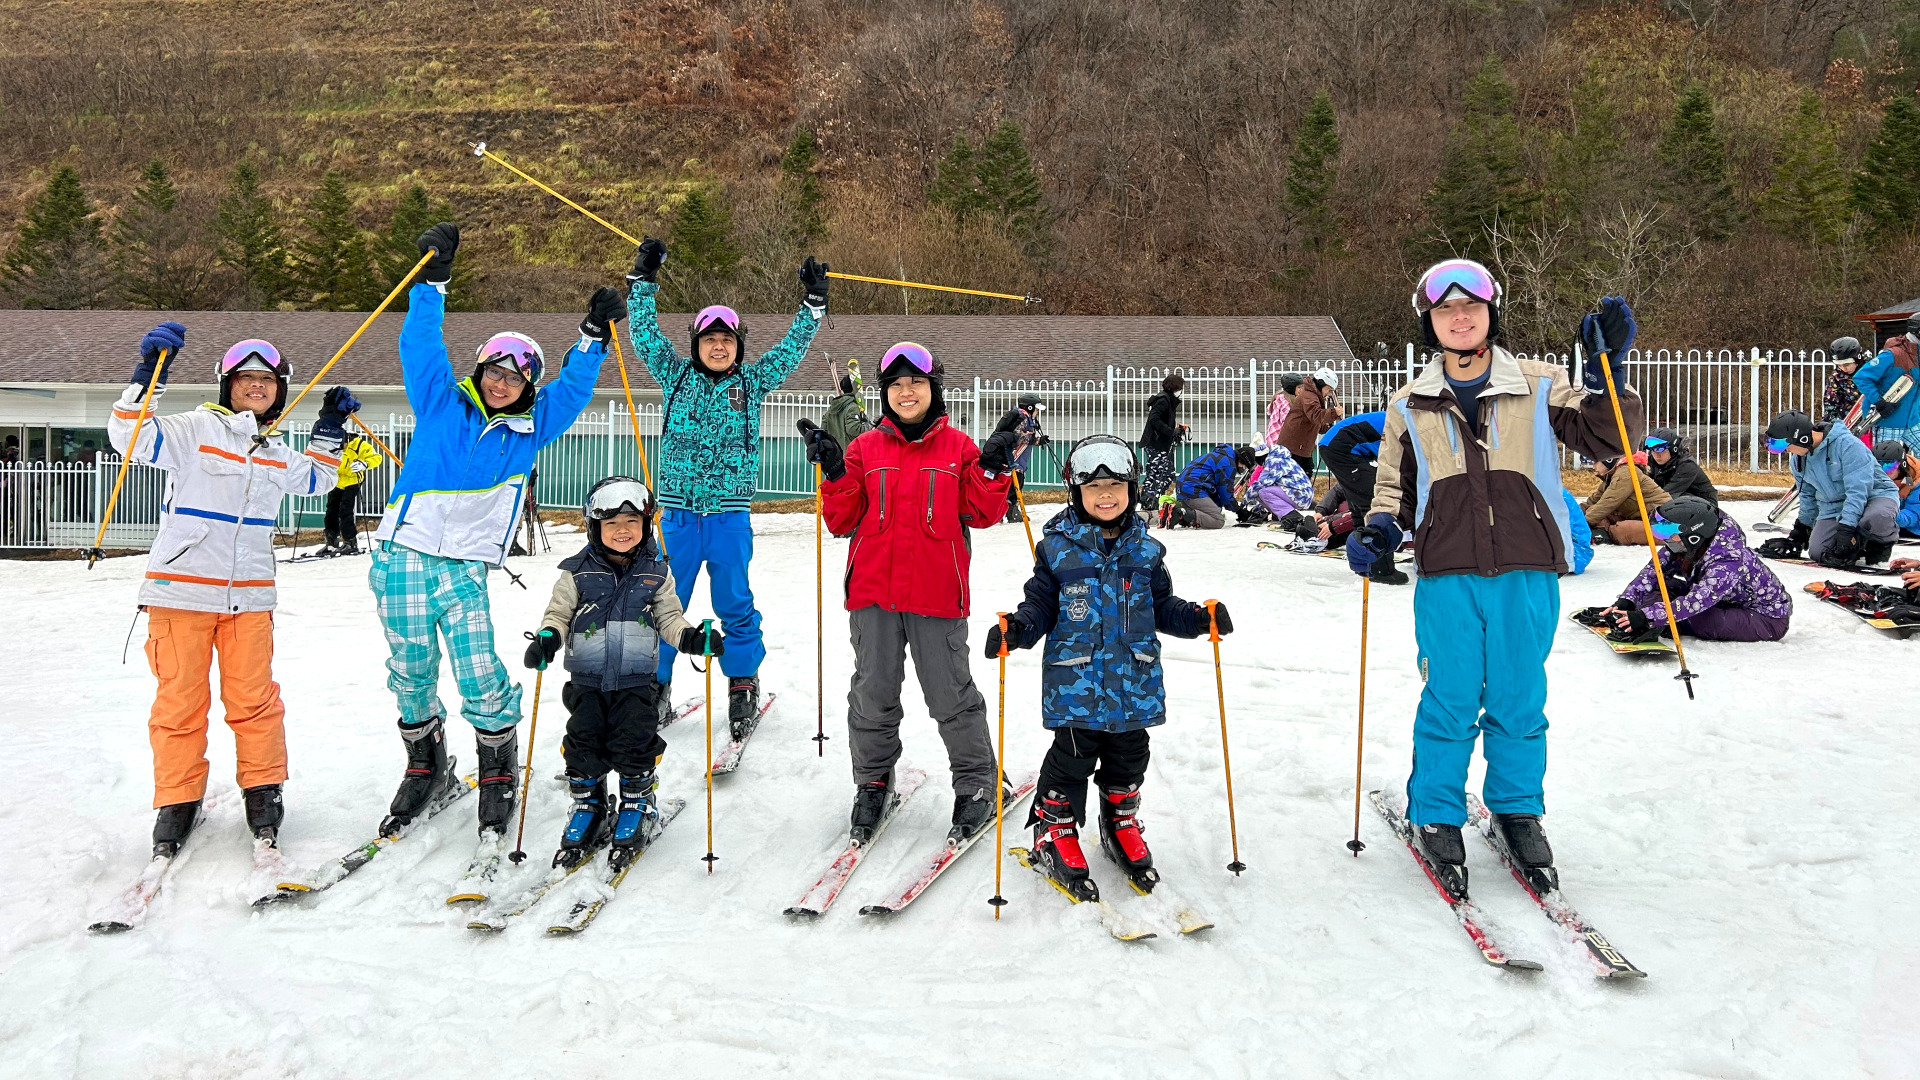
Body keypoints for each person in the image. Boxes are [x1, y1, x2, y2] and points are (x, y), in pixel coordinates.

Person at [1345, 258, 1641, 897]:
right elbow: (1394, 487)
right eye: (1446, 310)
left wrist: (1606, 374)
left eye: (1471, 308)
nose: (1460, 318)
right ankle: (1438, 813)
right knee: (1450, 696)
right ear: (1431, 322)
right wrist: (1378, 532)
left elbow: (1609, 438)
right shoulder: (1410, 402)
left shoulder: (1540, 384)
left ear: (1490, 314)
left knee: (1517, 697)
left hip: (1527, 566)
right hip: (1447, 570)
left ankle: (1517, 808)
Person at [370, 223, 610, 841]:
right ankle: (425, 762)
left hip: (464, 568)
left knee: (477, 667)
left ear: (527, 386)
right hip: (402, 554)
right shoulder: (441, 403)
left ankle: (497, 765)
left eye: (515, 375)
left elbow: (575, 388)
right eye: (493, 369)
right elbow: (420, 344)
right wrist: (433, 282)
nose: (502, 381)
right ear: (479, 370)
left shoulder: (531, 429)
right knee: (411, 665)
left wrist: (591, 339)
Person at [108, 323, 350, 858]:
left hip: (250, 601)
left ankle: (263, 793)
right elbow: (131, 438)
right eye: (246, 379)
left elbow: (316, 480)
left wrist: (330, 428)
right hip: (181, 596)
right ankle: (178, 801)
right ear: (227, 385)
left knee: (255, 702)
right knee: (179, 705)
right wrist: (147, 378)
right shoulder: (195, 430)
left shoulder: (274, 448)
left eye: (267, 379)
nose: (257, 386)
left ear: (281, 389)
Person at [982, 435, 1229, 898]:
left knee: (1130, 756)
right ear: (1077, 493)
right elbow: (1040, 607)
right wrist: (1017, 629)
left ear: (1132, 489)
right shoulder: (1057, 550)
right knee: (1072, 759)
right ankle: (1053, 829)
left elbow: (1162, 606)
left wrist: (1198, 618)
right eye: (1095, 488)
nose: (1107, 495)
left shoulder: (1147, 551)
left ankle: (1119, 821)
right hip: (1076, 686)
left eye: (1116, 484)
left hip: (1134, 684)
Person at [806, 342, 1021, 844]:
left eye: (916, 383)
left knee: (951, 695)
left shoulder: (959, 449)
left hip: (936, 593)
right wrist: (835, 474)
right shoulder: (864, 449)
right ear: (885, 394)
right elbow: (840, 520)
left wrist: (992, 469)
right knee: (873, 694)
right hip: (873, 596)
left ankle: (978, 785)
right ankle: (874, 782)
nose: (906, 392)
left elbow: (983, 513)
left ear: (933, 390)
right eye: (896, 384)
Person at [625, 237, 827, 737]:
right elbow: (644, 333)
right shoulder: (674, 378)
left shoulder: (751, 384)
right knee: (663, 602)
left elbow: (792, 349)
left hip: (729, 517)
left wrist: (813, 305)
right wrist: (643, 280)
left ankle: (742, 682)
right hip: (676, 517)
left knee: (734, 600)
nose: (719, 346)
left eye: (728, 340)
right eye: (710, 339)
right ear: (696, 344)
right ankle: (654, 684)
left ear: (737, 347)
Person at [523, 477, 714, 869]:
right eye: (611, 524)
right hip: (587, 682)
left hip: (636, 682)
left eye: (631, 521)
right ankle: (590, 804)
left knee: (634, 741)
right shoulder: (575, 573)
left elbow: (669, 619)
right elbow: (558, 614)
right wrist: (547, 638)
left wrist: (691, 639)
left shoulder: (657, 574)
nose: (622, 530)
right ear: (595, 528)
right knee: (583, 743)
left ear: (645, 525)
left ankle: (637, 801)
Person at [1582, 496, 1791, 643]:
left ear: (1694, 534)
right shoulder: (1684, 544)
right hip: (1724, 600)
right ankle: (1648, 617)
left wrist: (1647, 618)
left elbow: (1697, 601)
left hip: (1765, 618)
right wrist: (1627, 601)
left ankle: (1661, 622)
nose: (1663, 538)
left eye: (1668, 532)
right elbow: (1653, 572)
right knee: (1661, 587)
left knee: (1701, 619)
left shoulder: (1728, 561)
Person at [1756, 410, 1899, 568]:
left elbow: (1857, 492)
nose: (1785, 451)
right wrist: (1800, 532)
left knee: (1877, 516)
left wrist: (1846, 529)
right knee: (1818, 552)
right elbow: (1807, 497)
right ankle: (1856, 544)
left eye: (1784, 445)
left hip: (1874, 495)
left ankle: (1880, 544)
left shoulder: (1848, 446)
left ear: (1802, 438)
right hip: (1834, 505)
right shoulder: (1798, 461)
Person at [1854, 315, 1920, 448]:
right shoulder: (1893, 354)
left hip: (1911, 420)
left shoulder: (1917, 354)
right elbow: (1861, 377)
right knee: (1885, 463)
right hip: (1887, 421)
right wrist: (1878, 402)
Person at [1582, 452, 1669, 544]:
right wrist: (1571, 513)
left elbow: (1609, 502)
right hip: (1642, 518)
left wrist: (1583, 524)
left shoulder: (1626, 472)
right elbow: (1592, 503)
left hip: (1662, 522)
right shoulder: (1610, 478)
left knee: (1621, 531)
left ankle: (1602, 536)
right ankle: (1601, 534)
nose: (1593, 467)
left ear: (1608, 460)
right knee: (1592, 511)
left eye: (1595, 462)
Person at [322, 427, 384, 555]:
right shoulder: (332, 446)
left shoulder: (360, 445)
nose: (339, 447)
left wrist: (364, 464)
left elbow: (377, 458)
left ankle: (350, 541)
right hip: (337, 481)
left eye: (341, 444)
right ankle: (331, 541)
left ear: (347, 439)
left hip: (353, 481)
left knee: (345, 511)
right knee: (331, 511)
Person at [1167, 443, 1255, 529]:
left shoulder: (1219, 456)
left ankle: (1165, 514)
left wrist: (1219, 507)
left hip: (1185, 488)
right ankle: (1182, 515)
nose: (1243, 468)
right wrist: (1239, 511)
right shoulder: (1228, 464)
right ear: (1242, 459)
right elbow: (1225, 493)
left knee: (1214, 511)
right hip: (1194, 490)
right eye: (1244, 466)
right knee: (1217, 520)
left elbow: (1216, 490)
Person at [992, 392, 1048, 524]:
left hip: (1016, 459)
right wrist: (1035, 439)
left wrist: (1038, 440)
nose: (1037, 412)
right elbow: (1017, 436)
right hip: (1014, 459)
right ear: (1030, 408)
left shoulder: (1023, 417)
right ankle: (1010, 512)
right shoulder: (1022, 418)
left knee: (1012, 486)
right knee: (1014, 487)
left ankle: (1004, 512)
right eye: (1036, 409)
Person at [1275, 367, 1341, 474]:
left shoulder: (1314, 397)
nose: (1328, 393)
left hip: (1301, 448)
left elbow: (1317, 423)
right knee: (1296, 480)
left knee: (1305, 475)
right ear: (1320, 384)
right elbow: (1316, 415)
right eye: (1328, 389)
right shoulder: (1309, 396)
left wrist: (1330, 428)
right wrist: (1334, 413)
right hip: (1293, 448)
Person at [1137, 373, 1187, 511]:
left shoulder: (1168, 401)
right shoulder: (1163, 400)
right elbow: (1154, 419)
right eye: (1180, 388)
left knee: (1164, 473)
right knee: (1158, 474)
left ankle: (1151, 501)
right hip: (1156, 444)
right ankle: (1148, 502)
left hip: (1160, 443)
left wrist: (1175, 428)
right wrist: (1170, 431)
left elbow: (1162, 420)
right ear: (1175, 388)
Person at [1643, 427, 1716, 507]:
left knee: (1675, 500)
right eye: (1652, 450)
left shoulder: (1687, 465)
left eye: (1660, 449)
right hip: (1681, 499)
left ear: (1673, 449)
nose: (1656, 454)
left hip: (1706, 506)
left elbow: (1668, 494)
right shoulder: (1653, 461)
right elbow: (1647, 485)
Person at [1248, 440, 1314, 527]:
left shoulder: (1273, 462)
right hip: (1301, 494)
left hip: (1301, 495)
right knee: (1263, 491)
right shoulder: (1278, 458)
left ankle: (1292, 517)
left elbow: (1259, 485)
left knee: (1263, 492)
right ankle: (1279, 515)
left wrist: (1243, 508)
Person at [1874, 438, 1920, 539]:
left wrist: (1888, 514)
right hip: (1892, 525)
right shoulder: (1877, 476)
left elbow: (1914, 516)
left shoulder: (1915, 480)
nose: (1883, 472)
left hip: (1913, 531)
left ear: (1901, 466)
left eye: (1889, 466)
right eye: (1878, 466)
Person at [1824, 336, 1864, 423]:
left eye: (1846, 365)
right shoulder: (1836, 377)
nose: (1843, 369)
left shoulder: (1872, 371)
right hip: (1847, 425)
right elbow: (1830, 405)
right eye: (1839, 365)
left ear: (1857, 359)